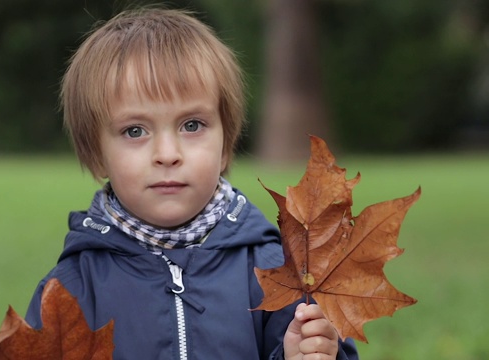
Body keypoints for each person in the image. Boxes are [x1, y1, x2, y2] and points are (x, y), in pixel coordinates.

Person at [25, 7, 359, 360]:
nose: (167, 154)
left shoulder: (277, 271)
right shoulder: (72, 289)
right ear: (96, 155)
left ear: (226, 144)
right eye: (134, 131)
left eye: (192, 125)